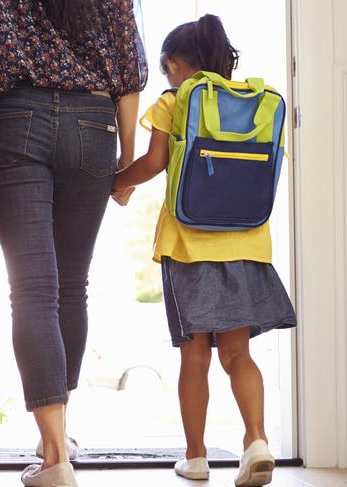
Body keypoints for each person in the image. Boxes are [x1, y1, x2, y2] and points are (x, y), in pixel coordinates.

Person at [0, 1, 147, 485]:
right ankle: (57, 435)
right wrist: (127, 158)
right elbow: (128, 70)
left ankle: (55, 457)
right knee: (71, 286)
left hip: (12, 117)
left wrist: (11, 48)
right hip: (93, 125)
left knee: (33, 290)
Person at [112, 14, 297, 487]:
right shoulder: (254, 103)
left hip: (188, 244)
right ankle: (256, 441)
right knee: (238, 354)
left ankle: (195, 458)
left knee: (194, 358)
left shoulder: (174, 100)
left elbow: (154, 162)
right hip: (248, 241)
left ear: (173, 64)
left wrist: (117, 185)